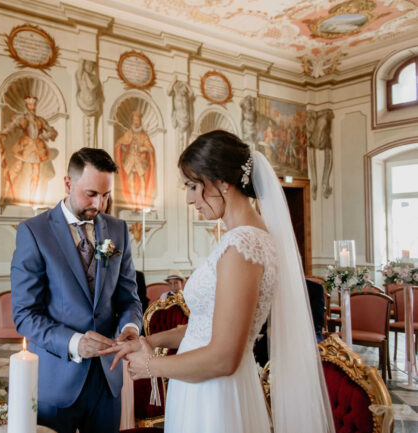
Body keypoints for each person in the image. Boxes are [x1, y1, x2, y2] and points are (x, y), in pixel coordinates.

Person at [103, 130, 334, 432]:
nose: (189, 199)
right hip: (203, 388)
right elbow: (207, 327)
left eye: (193, 186)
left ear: (222, 181)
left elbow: (224, 358)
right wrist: (150, 341)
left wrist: (151, 366)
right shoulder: (245, 239)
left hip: (215, 397)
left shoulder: (242, 246)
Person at [11, 147, 143, 433]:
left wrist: (130, 326)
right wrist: (75, 342)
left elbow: (129, 297)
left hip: (107, 379)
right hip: (57, 380)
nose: (100, 205)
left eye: (106, 195)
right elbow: (25, 315)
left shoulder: (117, 230)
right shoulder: (34, 232)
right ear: (68, 183)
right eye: (91, 194)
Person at [0, 95, 57, 205]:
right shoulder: (22, 118)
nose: (32, 107)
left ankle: (32, 199)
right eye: (30, 104)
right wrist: (2, 133)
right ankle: (5, 194)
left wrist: (43, 136)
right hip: (25, 145)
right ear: (27, 105)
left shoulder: (40, 120)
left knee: (35, 173)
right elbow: (11, 126)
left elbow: (51, 132)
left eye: (34, 104)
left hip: (37, 147)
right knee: (16, 169)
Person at [114, 110, 156, 210]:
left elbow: (150, 149)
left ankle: (143, 203)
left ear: (140, 121)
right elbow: (119, 143)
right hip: (130, 159)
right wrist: (123, 147)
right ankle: (132, 205)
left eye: (137, 120)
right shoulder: (128, 133)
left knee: (142, 181)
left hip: (140, 160)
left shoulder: (144, 135)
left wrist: (143, 148)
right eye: (134, 120)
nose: (136, 122)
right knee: (130, 182)